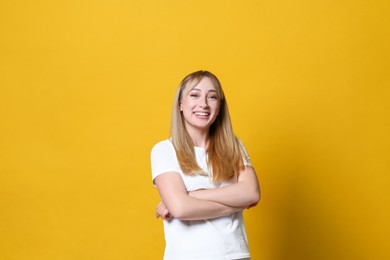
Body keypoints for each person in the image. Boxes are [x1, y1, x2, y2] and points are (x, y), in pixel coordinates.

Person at [150, 70, 260, 260]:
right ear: (180, 105)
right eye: (194, 95)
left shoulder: (234, 146)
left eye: (212, 97)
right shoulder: (164, 150)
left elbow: (251, 193)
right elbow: (181, 209)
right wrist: (236, 204)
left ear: (219, 108)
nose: (204, 104)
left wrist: (193, 195)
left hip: (236, 255)